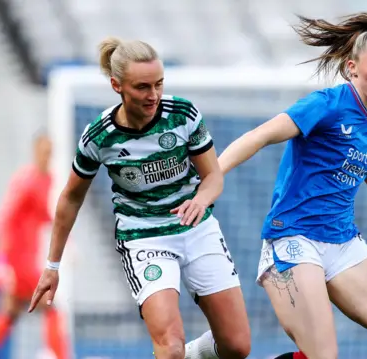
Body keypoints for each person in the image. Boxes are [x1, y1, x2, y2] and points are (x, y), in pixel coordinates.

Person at [218, 12, 367, 359]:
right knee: (321, 355)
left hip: (342, 243)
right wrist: (214, 177)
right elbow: (260, 136)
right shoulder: (326, 105)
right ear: (352, 68)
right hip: (294, 240)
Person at [26, 37, 251, 359]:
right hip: (144, 238)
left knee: (237, 346)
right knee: (168, 348)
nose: (154, 95)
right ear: (117, 85)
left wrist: (200, 201)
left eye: (159, 84)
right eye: (143, 87)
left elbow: (213, 176)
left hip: (197, 229)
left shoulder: (182, 114)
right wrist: (52, 265)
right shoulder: (100, 136)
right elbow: (70, 198)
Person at [0, 134, 71, 359]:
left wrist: (67, 238)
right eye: (43, 151)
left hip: (27, 257)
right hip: (17, 258)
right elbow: (4, 219)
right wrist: (0, 262)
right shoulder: (26, 181)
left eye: (50, 152)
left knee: (9, 313)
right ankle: (59, 355)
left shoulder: (46, 179)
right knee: (50, 303)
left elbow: (43, 214)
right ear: (35, 152)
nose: (46, 157)